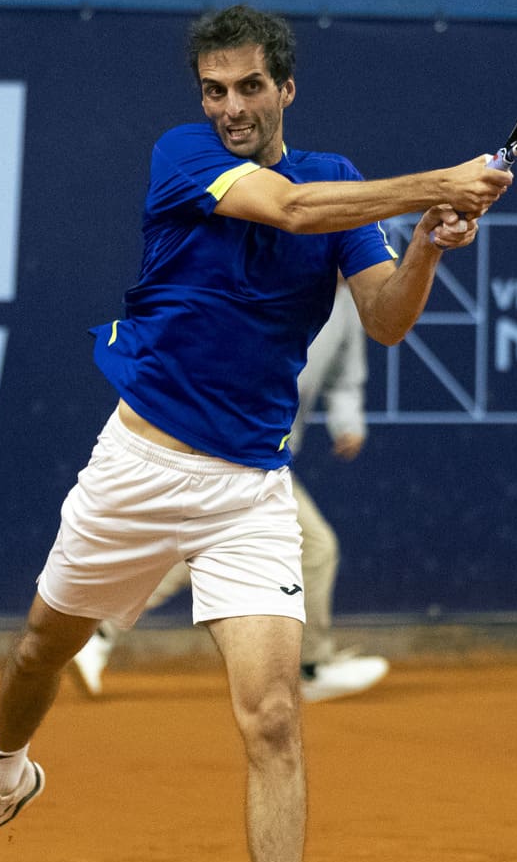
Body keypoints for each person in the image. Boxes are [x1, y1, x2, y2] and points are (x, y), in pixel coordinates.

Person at [0, 5, 511, 862]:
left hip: (249, 489)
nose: (229, 107)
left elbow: (385, 317)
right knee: (37, 649)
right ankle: (3, 775)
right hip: (137, 465)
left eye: (248, 88)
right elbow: (287, 212)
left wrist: (423, 242)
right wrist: (435, 183)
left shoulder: (338, 177)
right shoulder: (185, 156)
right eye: (214, 88)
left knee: (274, 714)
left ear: (288, 88)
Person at [66, 276, 391, 704]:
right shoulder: (273, 282)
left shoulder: (346, 308)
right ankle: (309, 666)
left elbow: (345, 378)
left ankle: (93, 631)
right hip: (231, 440)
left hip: (263, 450)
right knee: (313, 547)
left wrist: (347, 424)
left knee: (192, 549)